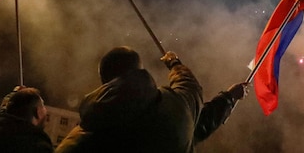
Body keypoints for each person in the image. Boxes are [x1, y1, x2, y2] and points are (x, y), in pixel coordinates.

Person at [55, 46, 245, 153]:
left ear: (104, 81)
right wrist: (174, 63)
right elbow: (191, 90)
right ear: (140, 70)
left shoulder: (84, 136)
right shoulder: (175, 108)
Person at [0, 86, 54, 153]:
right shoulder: (38, 147)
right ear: (38, 112)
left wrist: (14, 97)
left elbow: (4, 117)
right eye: (43, 105)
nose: (46, 110)